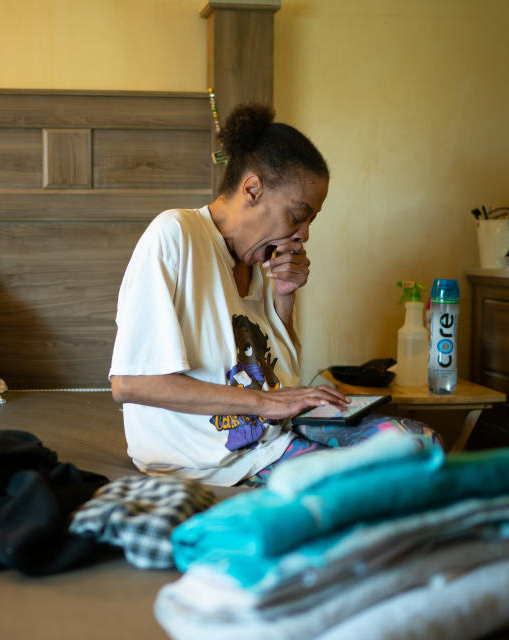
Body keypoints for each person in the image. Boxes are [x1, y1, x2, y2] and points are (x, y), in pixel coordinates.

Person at [109, 103, 436, 487]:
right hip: (212, 458)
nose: (304, 234)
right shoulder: (175, 235)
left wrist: (284, 296)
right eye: (298, 215)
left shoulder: (260, 259)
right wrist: (265, 404)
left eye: (311, 220)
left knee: (419, 445)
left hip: (274, 435)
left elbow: (278, 377)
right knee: (387, 477)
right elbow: (131, 383)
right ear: (252, 189)